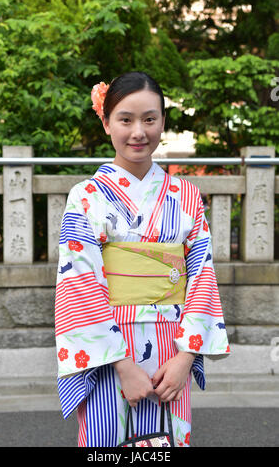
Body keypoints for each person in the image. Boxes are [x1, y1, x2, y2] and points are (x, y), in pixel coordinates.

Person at [55, 71, 230, 447]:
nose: (139, 131)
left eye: (150, 119)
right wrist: (122, 366)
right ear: (106, 123)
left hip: (172, 347)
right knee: (109, 443)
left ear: (163, 122)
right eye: (126, 119)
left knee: (166, 443)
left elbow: (201, 276)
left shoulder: (185, 195)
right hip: (111, 353)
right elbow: (79, 284)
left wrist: (186, 358)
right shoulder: (87, 196)